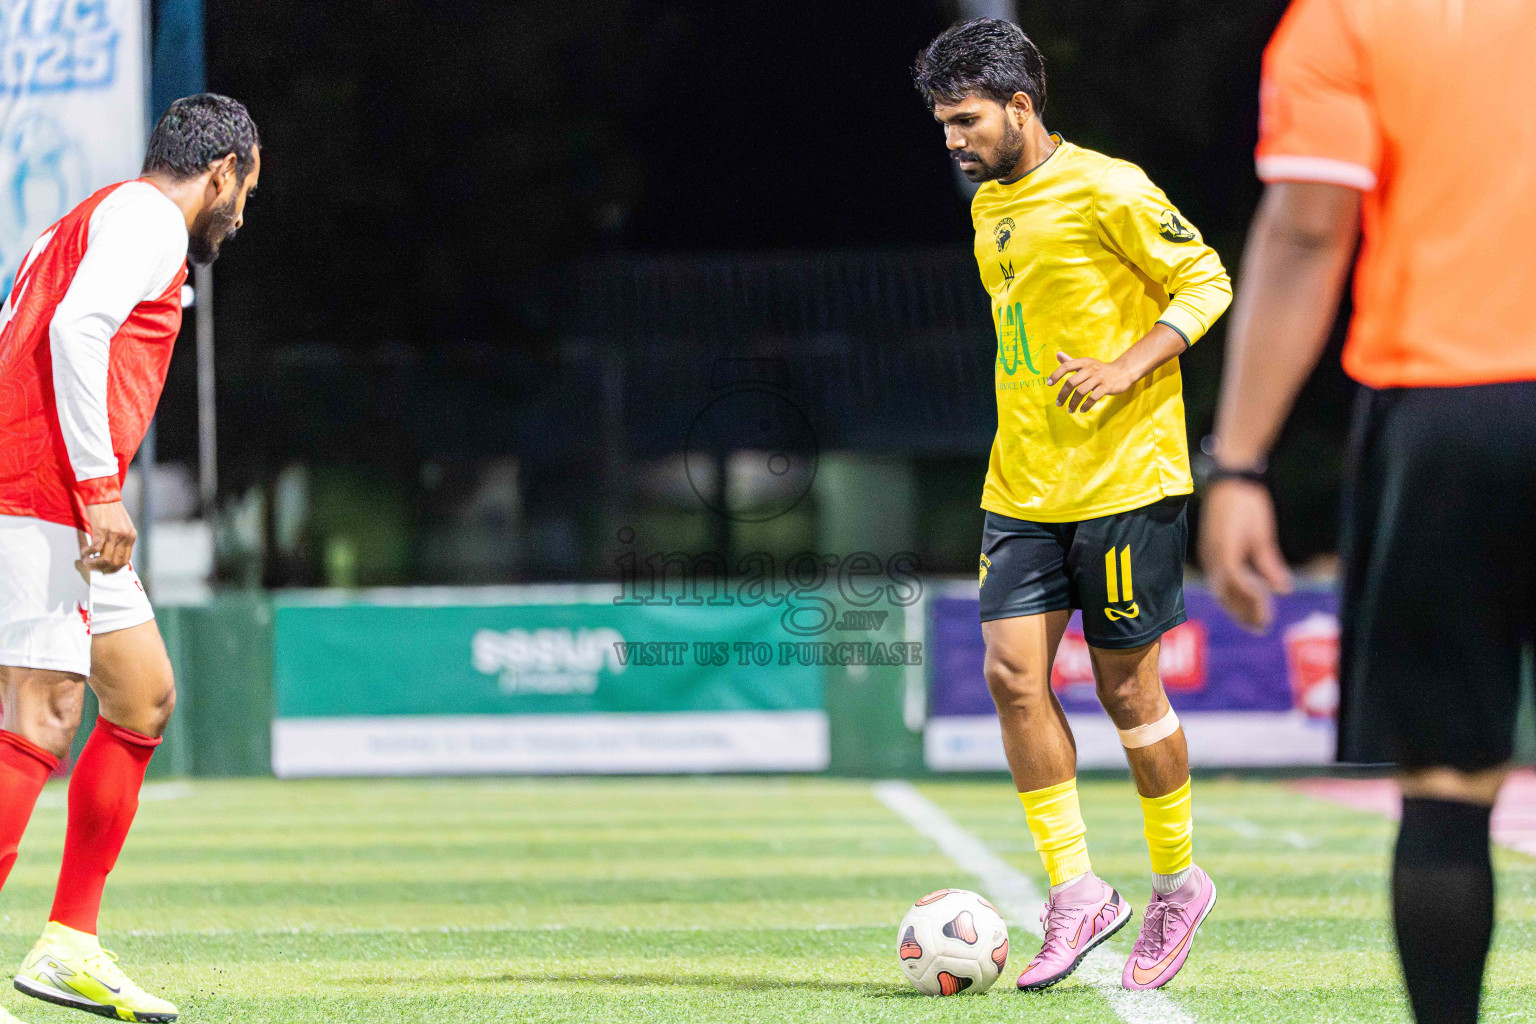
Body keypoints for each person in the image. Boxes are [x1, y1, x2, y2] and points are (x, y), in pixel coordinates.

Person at [1199, 0, 1536, 1020]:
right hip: (1450, 401)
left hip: (1451, 413)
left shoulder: (1346, 15)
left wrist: (1239, 463)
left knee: (1444, 787)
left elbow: (1309, 231)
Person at [912, 19, 1231, 992]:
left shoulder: (1111, 186)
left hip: (1124, 480)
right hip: (1022, 484)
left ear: (1021, 106)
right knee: (1014, 676)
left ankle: (1177, 881)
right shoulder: (988, 210)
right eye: (942, 125)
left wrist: (1128, 363)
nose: (955, 140)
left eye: (967, 120)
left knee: (1129, 689)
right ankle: (1078, 891)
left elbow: (1205, 277)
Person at [0, 93, 260, 1024]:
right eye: (248, 186)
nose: (243, 209)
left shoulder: (90, 215)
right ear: (224, 170)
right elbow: (75, 331)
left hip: (50, 492)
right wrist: (100, 486)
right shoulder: (151, 218)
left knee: (141, 692)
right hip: (42, 493)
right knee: (42, 709)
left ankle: (68, 943)